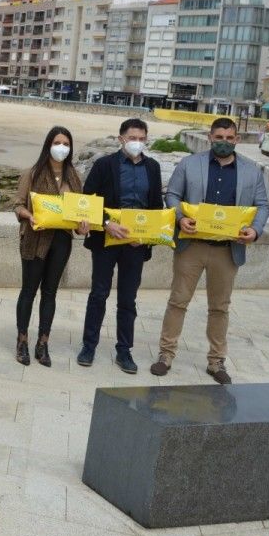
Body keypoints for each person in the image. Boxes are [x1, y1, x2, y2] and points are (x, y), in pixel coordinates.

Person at [151, 117, 269, 384]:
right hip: (191, 246)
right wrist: (181, 218)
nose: (224, 143)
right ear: (210, 137)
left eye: (229, 138)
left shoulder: (252, 171)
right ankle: (165, 355)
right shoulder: (189, 164)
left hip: (227, 250)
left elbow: (262, 205)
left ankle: (216, 362)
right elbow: (171, 195)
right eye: (219, 138)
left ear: (236, 139)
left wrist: (256, 230)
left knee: (220, 308)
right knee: (177, 301)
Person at [76, 118, 163, 374]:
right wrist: (106, 223)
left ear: (146, 140)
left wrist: (146, 236)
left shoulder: (153, 168)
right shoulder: (104, 165)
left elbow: (156, 206)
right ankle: (88, 346)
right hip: (106, 240)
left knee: (128, 299)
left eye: (141, 138)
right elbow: (87, 201)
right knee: (98, 294)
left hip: (135, 245)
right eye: (132, 137)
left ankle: (124, 351)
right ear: (121, 139)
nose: (136, 142)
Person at [12, 126, 87, 367]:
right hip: (35, 239)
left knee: (50, 292)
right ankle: (22, 340)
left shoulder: (74, 177)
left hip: (62, 241)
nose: (62, 148)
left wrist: (83, 226)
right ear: (48, 145)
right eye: (58, 142)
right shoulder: (32, 174)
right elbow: (17, 205)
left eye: (66, 144)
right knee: (28, 291)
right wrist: (29, 215)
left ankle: (43, 342)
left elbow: (80, 213)